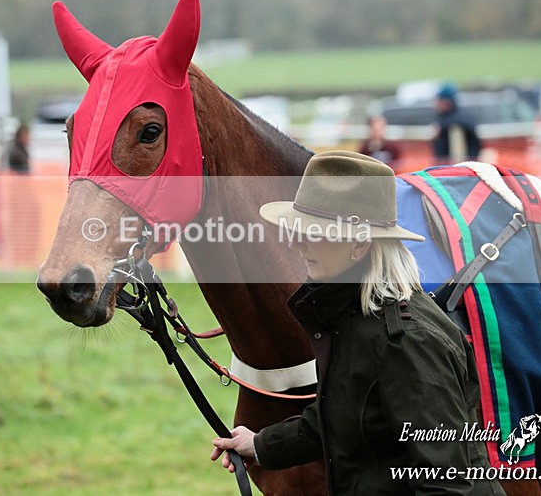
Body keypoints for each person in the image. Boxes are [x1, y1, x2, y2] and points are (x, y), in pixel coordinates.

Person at [211, 151, 504, 495]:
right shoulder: (354, 318)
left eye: (312, 232)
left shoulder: (409, 343)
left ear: (359, 246)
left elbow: (451, 486)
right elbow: (338, 419)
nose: (294, 242)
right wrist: (260, 445)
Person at [432, 83, 481, 163]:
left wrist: (441, 126)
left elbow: (464, 122)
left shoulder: (461, 116)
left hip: (462, 166)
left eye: (439, 100)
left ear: (447, 102)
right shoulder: (442, 116)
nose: (436, 104)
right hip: (444, 165)